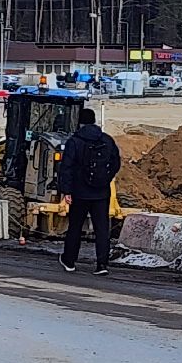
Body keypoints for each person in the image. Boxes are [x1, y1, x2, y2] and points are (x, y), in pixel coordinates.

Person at [57, 107, 122, 275]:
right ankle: (102, 265)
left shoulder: (74, 141)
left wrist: (66, 191)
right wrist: (106, 179)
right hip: (101, 193)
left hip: (79, 193)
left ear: (79, 122)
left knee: (75, 227)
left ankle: (69, 261)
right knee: (102, 230)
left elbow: (66, 168)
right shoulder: (107, 140)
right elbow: (116, 163)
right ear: (94, 121)